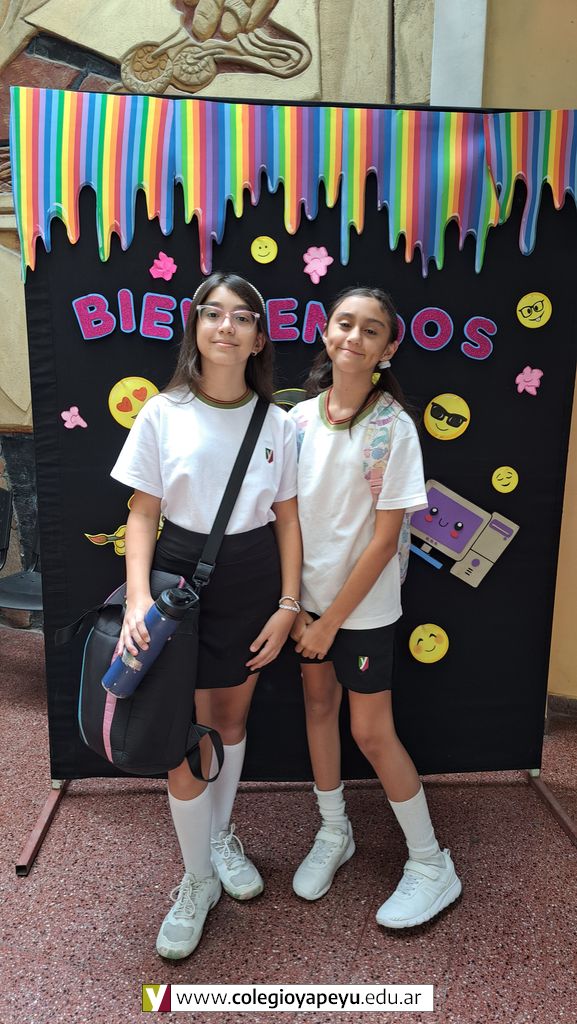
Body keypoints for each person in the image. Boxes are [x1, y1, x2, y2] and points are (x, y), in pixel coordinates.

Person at [110, 272, 301, 959]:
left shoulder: (279, 423)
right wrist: (137, 598)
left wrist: (288, 605)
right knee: (183, 736)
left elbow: (287, 519)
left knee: (230, 720)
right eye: (213, 313)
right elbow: (141, 514)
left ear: (258, 338)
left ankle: (220, 839)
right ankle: (196, 881)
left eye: (242, 316)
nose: (227, 326)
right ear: (194, 327)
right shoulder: (162, 413)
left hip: (252, 581)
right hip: (177, 584)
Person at [289, 286, 462, 928]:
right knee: (317, 707)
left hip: (360, 612)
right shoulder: (296, 421)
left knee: (370, 731)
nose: (354, 338)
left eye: (371, 330)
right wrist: (295, 606)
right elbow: (286, 520)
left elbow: (387, 539)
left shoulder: (395, 429)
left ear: (389, 348)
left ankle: (431, 863)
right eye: (345, 323)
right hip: (305, 607)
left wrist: (330, 621)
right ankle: (335, 831)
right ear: (325, 331)